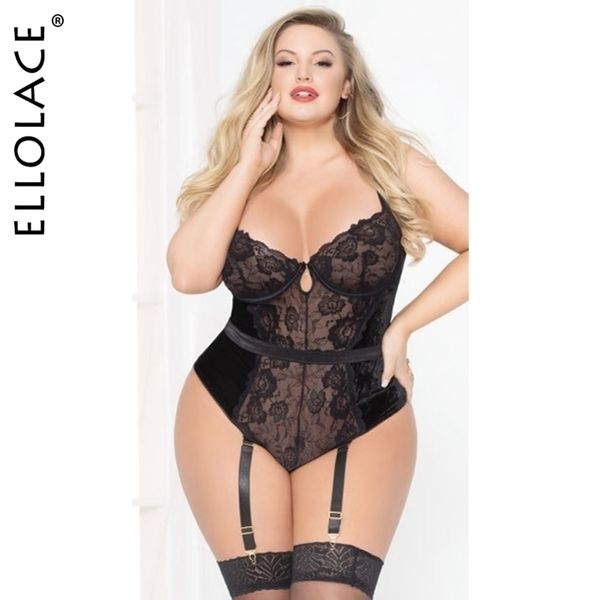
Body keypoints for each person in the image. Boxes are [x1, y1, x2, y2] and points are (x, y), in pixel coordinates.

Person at [167, 7, 467, 599]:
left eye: (322, 62)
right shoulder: (240, 175)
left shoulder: (393, 166)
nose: (304, 73)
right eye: (287, 62)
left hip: (363, 407)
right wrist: (247, 165)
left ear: (347, 83)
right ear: (269, 80)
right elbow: (188, 276)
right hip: (229, 408)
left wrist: (402, 328)